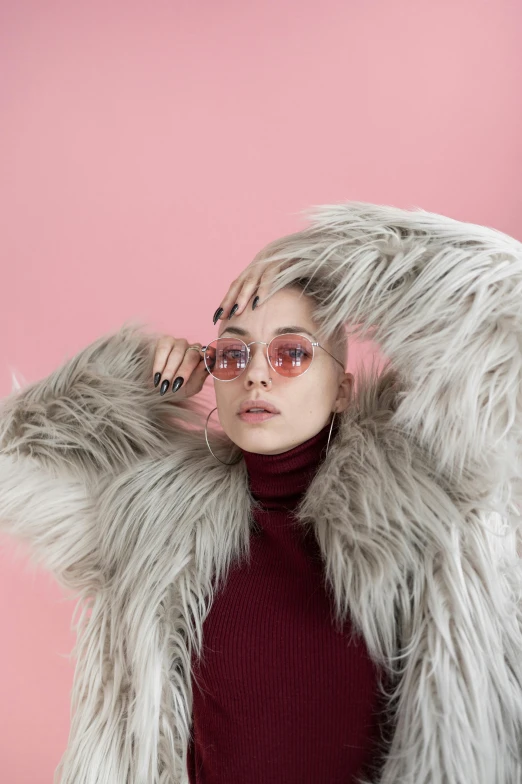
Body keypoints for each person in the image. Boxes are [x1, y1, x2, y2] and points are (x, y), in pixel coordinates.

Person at [0, 200, 521, 784]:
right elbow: (10, 465)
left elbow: (507, 317)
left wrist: (324, 255)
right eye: (233, 352)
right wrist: (131, 379)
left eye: (292, 353)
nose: (256, 373)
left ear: (343, 389)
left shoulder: (420, 492)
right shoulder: (157, 520)